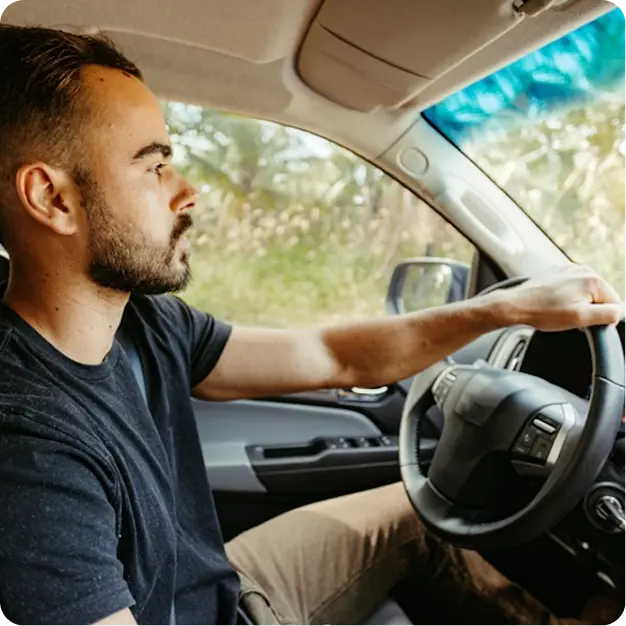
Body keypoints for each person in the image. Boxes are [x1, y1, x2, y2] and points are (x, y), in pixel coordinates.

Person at [0, 23, 622, 626]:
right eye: (154, 166)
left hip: (222, 591)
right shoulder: (26, 448)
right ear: (53, 199)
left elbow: (335, 356)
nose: (189, 192)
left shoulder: (145, 325)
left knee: (419, 513)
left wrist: (507, 307)